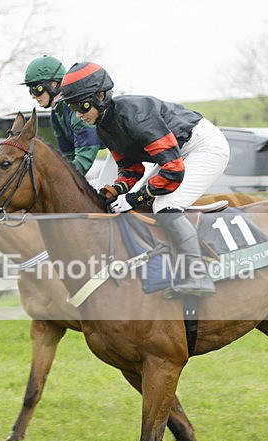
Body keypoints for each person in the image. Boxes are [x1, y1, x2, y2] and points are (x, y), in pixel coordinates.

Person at [60, 62, 230, 298]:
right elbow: (131, 170)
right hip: (176, 153)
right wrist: (112, 191)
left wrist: (134, 197)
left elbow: (172, 170)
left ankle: (198, 275)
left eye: (82, 106)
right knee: (141, 205)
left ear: (100, 96)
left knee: (164, 205)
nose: (78, 114)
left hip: (204, 146)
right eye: (73, 108)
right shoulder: (103, 126)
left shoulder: (136, 116)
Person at [22, 55, 101, 175]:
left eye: (36, 89)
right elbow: (68, 157)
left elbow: (83, 159)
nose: (33, 96)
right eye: (30, 90)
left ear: (53, 84)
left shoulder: (75, 109)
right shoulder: (55, 114)